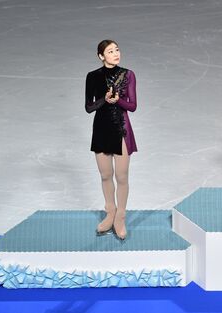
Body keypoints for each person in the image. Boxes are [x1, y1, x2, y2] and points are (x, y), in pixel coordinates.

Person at [85, 39, 137, 240]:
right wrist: (103, 101)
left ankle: (120, 216)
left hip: (121, 129)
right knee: (105, 175)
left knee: (122, 176)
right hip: (101, 129)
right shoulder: (93, 77)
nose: (116, 53)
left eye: (117, 49)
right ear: (101, 56)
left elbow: (132, 106)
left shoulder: (128, 75)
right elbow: (89, 107)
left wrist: (119, 101)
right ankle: (110, 212)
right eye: (110, 51)